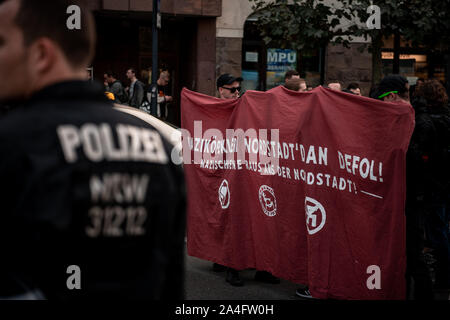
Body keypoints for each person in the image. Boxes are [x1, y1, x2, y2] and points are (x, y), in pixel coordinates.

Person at [0, 0, 185, 300]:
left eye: (2, 42)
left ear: (41, 55)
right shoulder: (157, 146)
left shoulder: (13, 142)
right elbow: (171, 283)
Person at [215, 74, 280, 287]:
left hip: (252, 170)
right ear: (220, 90)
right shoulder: (213, 111)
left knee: (261, 219)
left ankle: (263, 266)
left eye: (238, 89)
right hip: (229, 174)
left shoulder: (246, 106)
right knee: (236, 220)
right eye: (232, 89)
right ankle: (231, 265)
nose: (236, 92)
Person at [375, 75, 434, 299]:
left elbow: (419, 163)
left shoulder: (418, 122)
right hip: (405, 197)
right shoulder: (409, 118)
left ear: (391, 96)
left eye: (383, 100)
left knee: (412, 253)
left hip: (414, 199)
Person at [410, 79, 450, 294]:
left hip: (434, 182)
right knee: (441, 228)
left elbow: (424, 153)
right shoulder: (446, 115)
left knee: (437, 232)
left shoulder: (427, 120)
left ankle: (444, 277)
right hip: (443, 181)